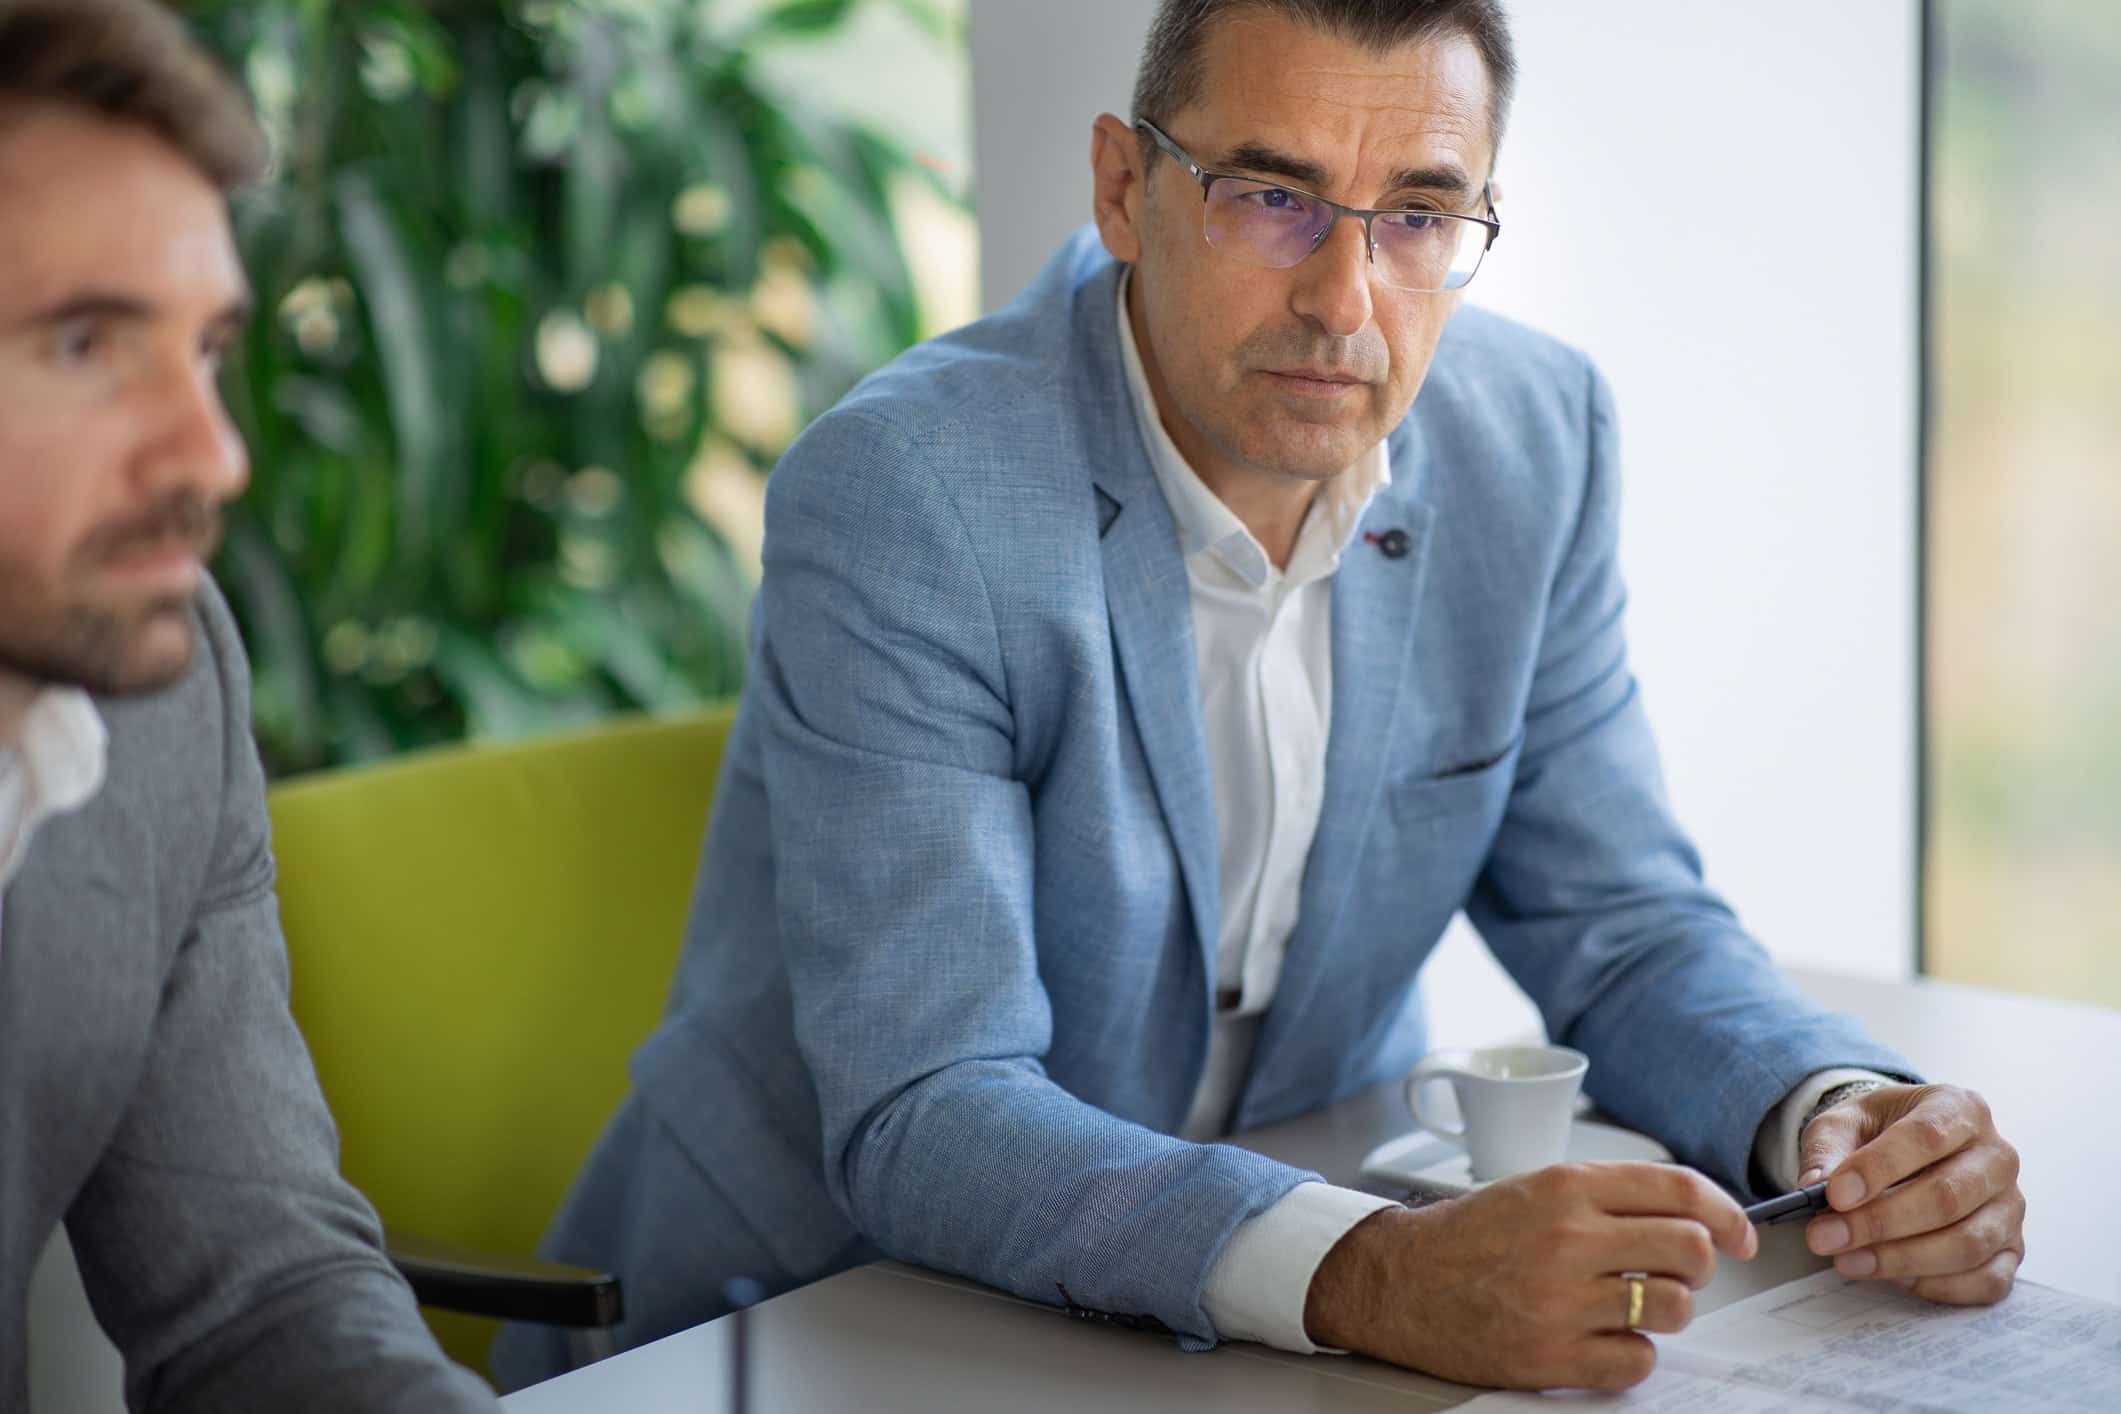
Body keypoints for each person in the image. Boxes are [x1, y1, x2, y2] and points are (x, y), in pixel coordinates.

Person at [500, 0, 2026, 1392]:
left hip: (1268, 1325)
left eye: (1416, 215)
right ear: (1122, 189)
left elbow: (1620, 927)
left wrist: (1834, 1118)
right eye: (1269, 195)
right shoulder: (912, 492)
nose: (1342, 300)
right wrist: (1372, 1270)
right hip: (823, 1318)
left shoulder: (1532, 437)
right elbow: (929, 1103)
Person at [0, 2, 502, 1408]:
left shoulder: (161, 693)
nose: (213, 455)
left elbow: (261, 1291)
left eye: (208, 349)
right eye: (89, 345)